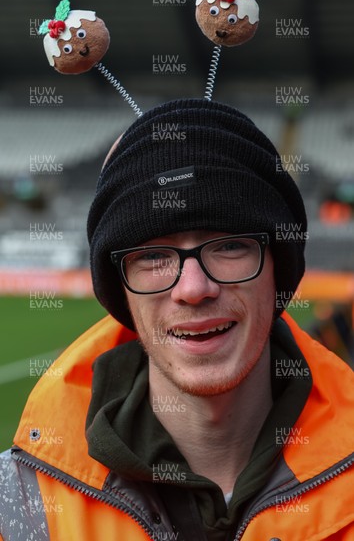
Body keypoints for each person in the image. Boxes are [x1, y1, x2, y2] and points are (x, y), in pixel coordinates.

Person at [1, 98, 353, 541]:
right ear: (120, 289)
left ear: (278, 267)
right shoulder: (20, 503)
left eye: (228, 246)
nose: (192, 289)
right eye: (152, 255)